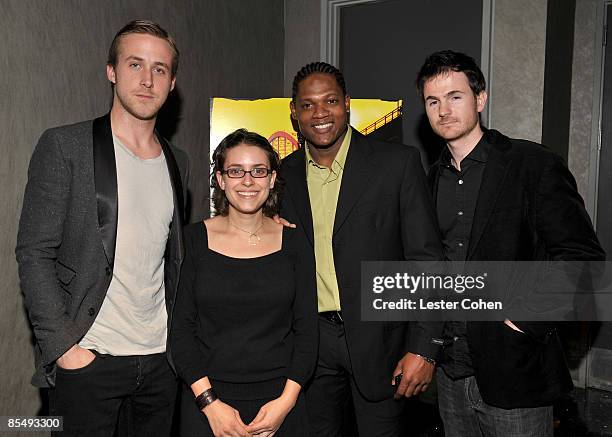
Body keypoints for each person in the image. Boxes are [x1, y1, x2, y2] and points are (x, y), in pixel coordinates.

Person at [417, 50, 605, 437]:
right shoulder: (429, 181)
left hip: (515, 370)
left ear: (480, 99)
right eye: (433, 101)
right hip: (451, 374)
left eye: (456, 96)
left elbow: (583, 258)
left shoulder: (531, 164)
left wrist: (524, 322)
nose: (444, 110)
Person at [15, 20, 188, 436]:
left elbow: (171, 257)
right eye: (134, 65)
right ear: (111, 71)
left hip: (161, 362)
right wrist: (65, 350)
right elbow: (34, 251)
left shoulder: (177, 160)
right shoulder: (65, 146)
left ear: (172, 81)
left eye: (159, 69)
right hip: (91, 358)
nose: (147, 80)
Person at [280, 61, 445, 436]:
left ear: (347, 103)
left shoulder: (396, 164)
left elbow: (427, 261)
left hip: (382, 344)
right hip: (310, 346)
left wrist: (424, 348)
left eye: (330, 101)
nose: (320, 113)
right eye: (307, 104)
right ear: (294, 113)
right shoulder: (280, 176)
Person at [170, 128, 317, 437]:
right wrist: (210, 404)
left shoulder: (294, 242)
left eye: (259, 171)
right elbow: (180, 333)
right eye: (236, 171)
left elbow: (307, 333)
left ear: (272, 178)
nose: (248, 181)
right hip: (208, 403)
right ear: (221, 180)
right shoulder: (191, 241)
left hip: (282, 402)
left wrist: (285, 404)